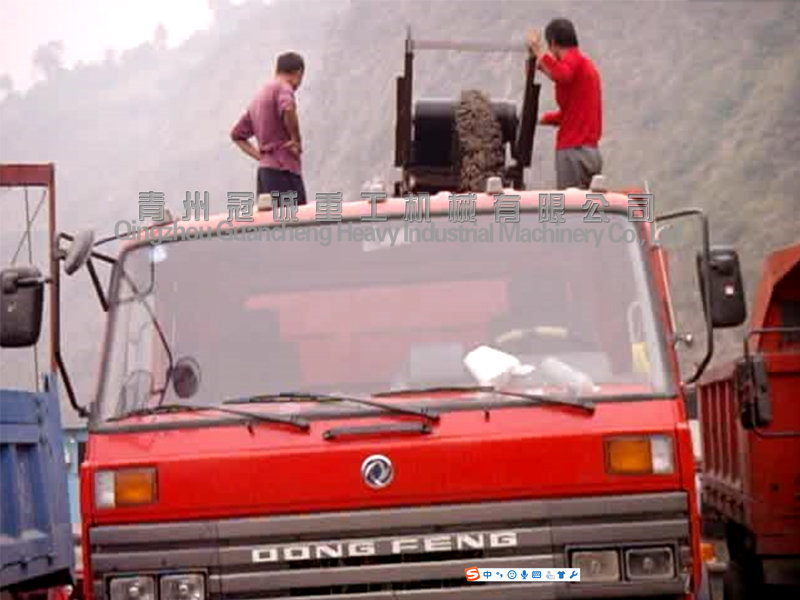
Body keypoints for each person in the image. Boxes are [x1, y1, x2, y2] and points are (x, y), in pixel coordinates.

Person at [526, 19, 603, 190]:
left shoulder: (572, 61)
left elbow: (561, 74)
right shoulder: (586, 68)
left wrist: (539, 52)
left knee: (570, 211)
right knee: (586, 212)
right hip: (590, 152)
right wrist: (542, 119)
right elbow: (570, 113)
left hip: (574, 152)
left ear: (552, 42)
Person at [230, 52, 307, 205]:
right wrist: (296, 139)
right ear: (298, 73)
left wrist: (262, 157)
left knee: (272, 222)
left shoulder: (259, 96)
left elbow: (236, 135)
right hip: (284, 170)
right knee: (296, 223)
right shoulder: (283, 87)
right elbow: (288, 108)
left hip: (265, 175)